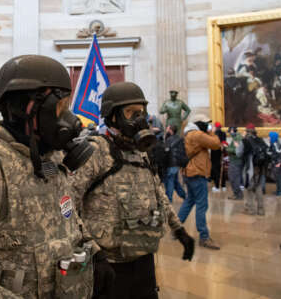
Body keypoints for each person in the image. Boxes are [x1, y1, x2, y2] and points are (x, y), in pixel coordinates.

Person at [0, 55, 99, 298]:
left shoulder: (49, 158)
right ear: (27, 108)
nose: (70, 119)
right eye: (60, 107)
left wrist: (94, 252)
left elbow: (67, 218)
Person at [72, 82, 195, 299]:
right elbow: (68, 206)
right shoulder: (95, 151)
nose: (139, 119)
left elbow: (158, 193)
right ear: (112, 116)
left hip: (143, 257)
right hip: (108, 264)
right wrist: (92, 251)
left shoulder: (141, 153)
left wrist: (179, 230)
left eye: (142, 112)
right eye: (130, 112)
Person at [178, 114, 221, 250]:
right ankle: (204, 237)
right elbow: (216, 144)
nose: (208, 125)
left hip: (189, 172)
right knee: (202, 205)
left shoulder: (188, 133)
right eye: (206, 123)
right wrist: (212, 132)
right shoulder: (197, 135)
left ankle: (176, 229)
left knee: (189, 201)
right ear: (199, 124)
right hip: (197, 173)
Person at [237, 123, 268, 216]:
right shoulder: (260, 140)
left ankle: (249, 209)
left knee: (249, 188)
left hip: (249, 168)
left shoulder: (245, 141)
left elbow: (238, 153)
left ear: (246, 131)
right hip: (260, 168)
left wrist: (241, 140)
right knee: (258, 187)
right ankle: (261, 210)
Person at [164, 124, 187, 202]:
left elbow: (166, 151)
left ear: (170, 130)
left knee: (170, 181)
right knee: (175, 182)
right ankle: (184, 196)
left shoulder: (169, 139)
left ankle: (169, 199)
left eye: (167, 128)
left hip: (171, 163)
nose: (166, 129)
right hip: (177, 163)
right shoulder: (179, 138)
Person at [227, 127, 244, 200]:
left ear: (232, 131)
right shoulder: (236, 137)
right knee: (233, 177)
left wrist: (227, 148)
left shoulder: (238, 138)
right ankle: (236, 194)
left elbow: (235, 150)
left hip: (236, 161)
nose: (229, 134)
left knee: (234, 178)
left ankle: (238, 194)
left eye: (229, 132)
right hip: (234, 161)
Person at [210, 122, 227, 192]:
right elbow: (224, 142)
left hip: (215, 153)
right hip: (222, 152)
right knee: (222, 168)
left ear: (216, 127)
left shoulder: (214, 134)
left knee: (216, 169)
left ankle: (217, 186)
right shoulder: (224, 133)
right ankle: (223, 186)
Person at [267, 131, 281, 196]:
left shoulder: (276, 144)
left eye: (269, 136)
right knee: (277, 177)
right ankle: (279, 190)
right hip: (275, 162)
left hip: (277, 163)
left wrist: (279, 163)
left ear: (272, 137)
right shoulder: (273, 143)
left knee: (278, 177)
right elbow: (271, 152)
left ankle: (280, 191)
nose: (268, 137)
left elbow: (279, 154)